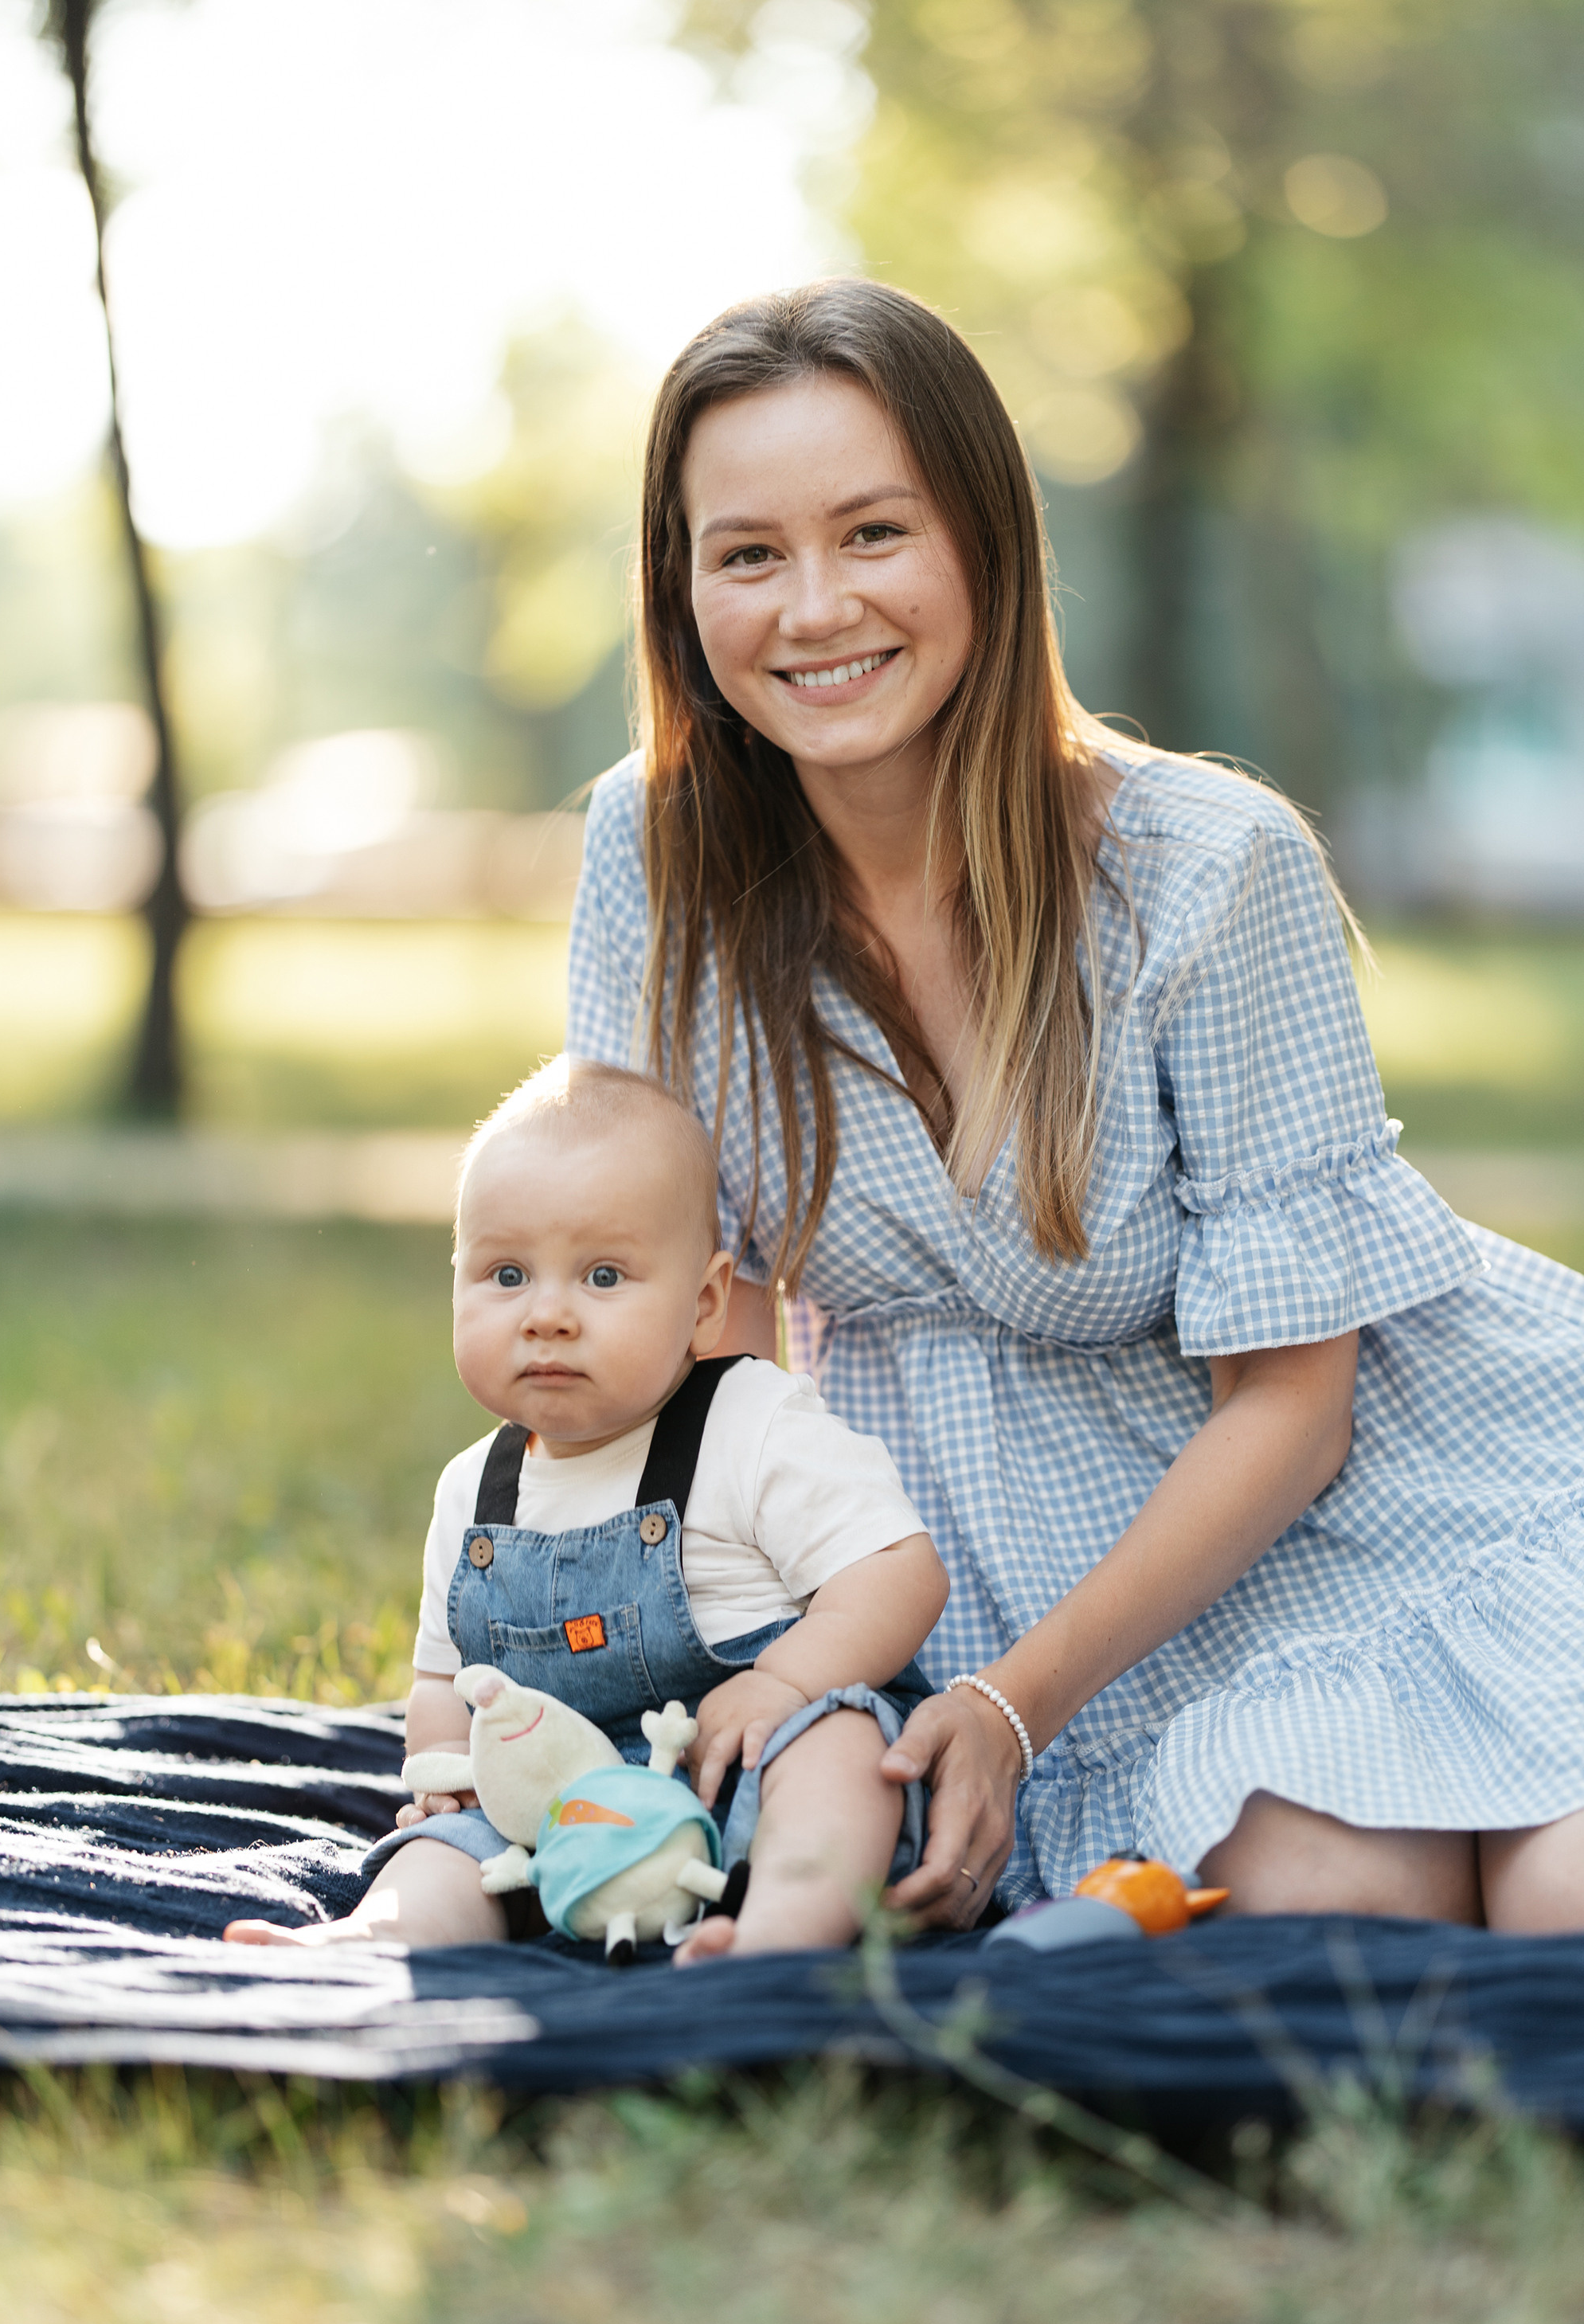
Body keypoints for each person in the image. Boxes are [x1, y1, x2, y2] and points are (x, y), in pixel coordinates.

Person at [567, 276, 1584, 1937]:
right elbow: (695, 1330)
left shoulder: (1208, 868)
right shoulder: (653, 850)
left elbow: (1295, 1409)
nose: (814, 608)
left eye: (875, 533)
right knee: (1314, 1912)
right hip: (987, 1564)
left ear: (985, 543)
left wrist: (1019, 1703)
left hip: (1401, 1502)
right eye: (746, 553)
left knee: (1563, 1918)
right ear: (682, 594)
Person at [225, 1056, 947, 1960]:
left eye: (603, 1277)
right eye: (506, 1274)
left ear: (705, 1304)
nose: (548, 1315)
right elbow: (444, 1680)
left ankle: (772, 1937)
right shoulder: (473, 1493)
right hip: (561, 1816)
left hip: (742, 1780)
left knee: (840, 1746)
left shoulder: (752, 1424)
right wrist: (447, 1771)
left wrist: (783, 1684)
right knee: (446, 1849)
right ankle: (375, 1941)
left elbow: (898, 1573)